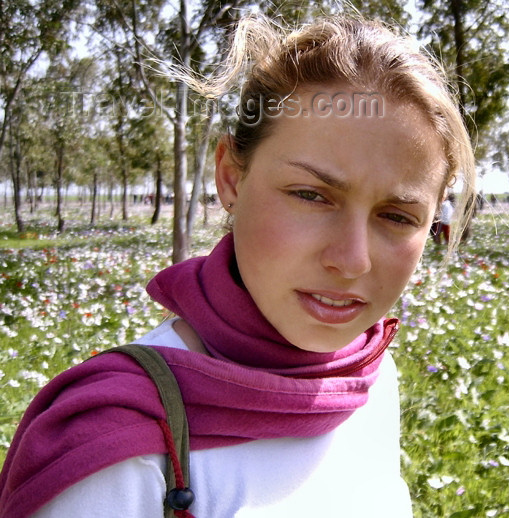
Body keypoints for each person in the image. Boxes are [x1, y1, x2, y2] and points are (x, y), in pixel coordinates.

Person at [0, 14, 475, 518]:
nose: (352, 260)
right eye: (312, 195)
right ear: (230, 178)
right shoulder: (119, 445)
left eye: (397, 217)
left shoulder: (372, 379)